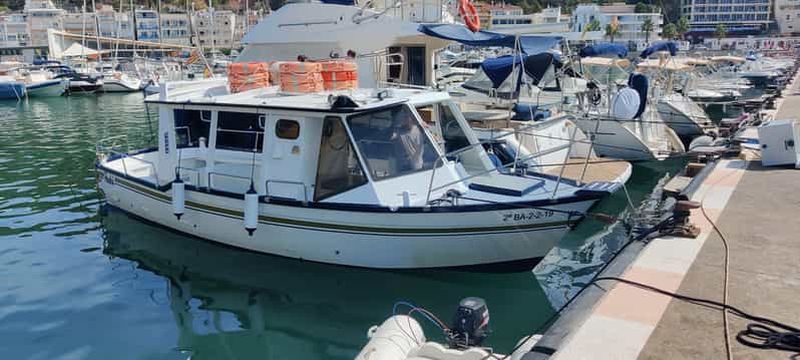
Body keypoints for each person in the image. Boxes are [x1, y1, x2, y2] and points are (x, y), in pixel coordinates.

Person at [391, 109, 425, 173]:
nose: (407, 121)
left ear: (412, 120)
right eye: (405, 119)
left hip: (416, 163)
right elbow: (392, 136)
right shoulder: (399, 130)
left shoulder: (418, 130)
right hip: (402, 163)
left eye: (408, 119)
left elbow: (429, 134)